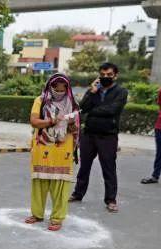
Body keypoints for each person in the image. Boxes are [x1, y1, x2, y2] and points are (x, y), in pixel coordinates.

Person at [70, 62, 128, 212]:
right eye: (102, 75)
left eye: (109, 74)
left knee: (108, 168)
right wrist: (91, 91)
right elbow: (83, 107)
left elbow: (112, 110)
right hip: (89, 133)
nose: (105, 77)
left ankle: (111, 200)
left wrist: (92, 111)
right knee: (84, 167)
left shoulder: (121, 91)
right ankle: (78, 193)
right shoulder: (95, 90)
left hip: (108, 136)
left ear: (115, 75)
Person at [25, 73, 80, 231]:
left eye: (63, 87)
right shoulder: (41, 100)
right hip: (43, 146)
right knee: (39, 182)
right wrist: (51, 121)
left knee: (60, 184)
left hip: (63, 149)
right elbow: (34, 122)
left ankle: (57, 218)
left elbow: (76, 128)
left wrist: (70, 123)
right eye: (56, 86)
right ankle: (37, 214)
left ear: (67, 88)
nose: (59, 90)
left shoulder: (72, 103)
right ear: (51, 86)